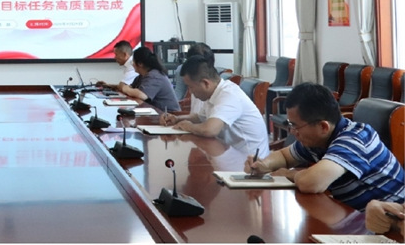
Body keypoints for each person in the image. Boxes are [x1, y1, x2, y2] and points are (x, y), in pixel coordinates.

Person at [245, 82, 404, 211]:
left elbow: (311, 183)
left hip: (392, 224)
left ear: (323, 127)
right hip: (353, 215)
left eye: (295, 126)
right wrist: (263, 165)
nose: (292, 132)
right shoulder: (317, 139)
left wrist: (287, 174)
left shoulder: (354, 138)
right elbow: (285, 156)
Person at [160, 54, 269, 158]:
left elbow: (210, 130)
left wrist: (189, 127)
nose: (190, 92)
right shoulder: (213, 93)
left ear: (206, 83)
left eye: (191, 87)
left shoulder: (229, 95)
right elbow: (200, 117)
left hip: (250, 163)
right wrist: (177, 119)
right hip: (228, 154)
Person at [117, 46, 180, 112]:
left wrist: (125, 88)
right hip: (154, 112)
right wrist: (128, 89)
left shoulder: (154, 75)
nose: (132, 64)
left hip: (169, 115)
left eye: (133, 62)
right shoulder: (142, 76)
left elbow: (142, 95)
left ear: (140, 64)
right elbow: (132, 88)